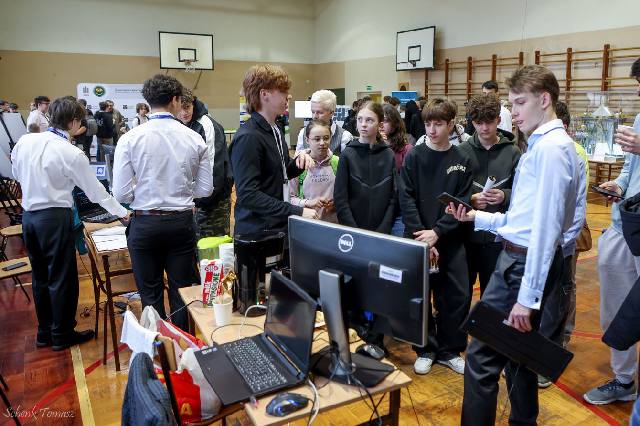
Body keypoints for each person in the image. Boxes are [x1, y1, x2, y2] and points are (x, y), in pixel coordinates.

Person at [449, 65, 581, 425]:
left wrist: (528, 296)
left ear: (544, 99)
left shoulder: (551, 149)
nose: (514, 112)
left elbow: (546, 230)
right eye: (512, 103)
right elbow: (524, 221)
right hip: (522, 260)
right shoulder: (542, 144)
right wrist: (476, 217)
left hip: (522, 267)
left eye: (520, 102)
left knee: (481, 360)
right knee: (519, 356)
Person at [12, 96, 128, 351]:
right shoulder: (71, 152)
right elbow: (95, 193)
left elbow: (16, 175)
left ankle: (45, 332)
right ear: (74, 122)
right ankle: (62, 334)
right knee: (61, 277)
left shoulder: (25, 141)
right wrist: (122, 213)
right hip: (54, 218)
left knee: (40, 276)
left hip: (29, 217)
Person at [113, 74, 213, 331]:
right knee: (182, 294)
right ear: (176, 100)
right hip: (181, 223)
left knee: (150, 295)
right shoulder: (194, 138)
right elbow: (205, 189)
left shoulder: (130, 138)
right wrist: (181, 192)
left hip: (145, 222)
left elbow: (121, 194)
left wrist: (143, 195)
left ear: (148, 101)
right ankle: (183, 345)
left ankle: (157, 347)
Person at [399, 98, 473, 376]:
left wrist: (438, 232)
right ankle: (425, 349)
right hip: (418, 238)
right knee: (419, 295)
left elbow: (462, 202)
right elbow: (406, 198)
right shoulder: (414, 157)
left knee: (456, 296)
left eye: (438, 124)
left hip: (451, 239)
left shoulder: (462, 159)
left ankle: (450, 350)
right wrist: (424, 236)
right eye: (428, 124)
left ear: (451, 124)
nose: (431, 130)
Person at [583, 57, 640, 405]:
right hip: (625, 222)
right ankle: (623, 379)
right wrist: (618, 184)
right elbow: (631, 168)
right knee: (616, 308)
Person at [229, 64, 317, 238]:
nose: (289, 96)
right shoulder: (249, 137)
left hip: (277, 226)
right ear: (264, 95)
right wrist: (296, 211)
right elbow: (248, 195)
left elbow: (280, 173)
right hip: (258, 232)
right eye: (283, 91)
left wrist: (298, 163)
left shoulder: (275, 129)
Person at [536, 100, 588, 388]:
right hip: (544, 239)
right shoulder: (539, 147)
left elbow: (575, 206)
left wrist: (562, 244)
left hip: (561, 241)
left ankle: (558, 343)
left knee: (562, 293)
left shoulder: (572, 151)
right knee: (546, 297)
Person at [457, 93, 521, 296]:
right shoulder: (461, 151)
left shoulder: (513, 153)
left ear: (499, 120)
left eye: (489, 122)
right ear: (471, 122)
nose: (484, 128)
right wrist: (470, 199)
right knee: (461, 294)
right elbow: (452, 192)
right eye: (478, 123)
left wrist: (505, 195)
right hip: (466, 236)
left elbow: (524, 193)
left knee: (493, 295)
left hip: (498, 239)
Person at [333, 101, 396, 234]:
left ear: (380, 125)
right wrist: (352, 230)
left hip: (382, 230)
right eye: (360, 119)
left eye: (369, 120)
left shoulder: (388, 155)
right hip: (353, 229)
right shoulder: (348, 154)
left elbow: (393, 197)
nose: (363, 124)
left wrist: (385, 227)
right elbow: (340, 198)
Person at [179, 88, 233, 238]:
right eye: (180, 108)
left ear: (193, 104)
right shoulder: (183, 124)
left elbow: (213, 168)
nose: (184, 113)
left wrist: (199, 202)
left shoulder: (206, 125)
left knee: (213, 247)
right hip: (195, 200)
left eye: (187, 107)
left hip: (213, 201)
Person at [289, 120, 339, 222]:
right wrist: (307, 202)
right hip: (307, 223)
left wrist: (336, 203)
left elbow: (347, 196)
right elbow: (289, 198)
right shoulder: (299, 164)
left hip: (334, 224)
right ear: (307, 140)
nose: (322, 143)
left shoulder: (338, 162)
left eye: (326, 138)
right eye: (317, 139)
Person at [381, 103, 413, 237]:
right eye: (378, 120)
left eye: (385, 121)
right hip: (378, 207)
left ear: (395, 124)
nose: (381, 125)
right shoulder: (369, 146)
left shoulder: (407, 149)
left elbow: (405, 182)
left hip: (399, 208)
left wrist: (385, 147)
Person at [295, 89, 353, 155]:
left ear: (331, 113)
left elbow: (348, 161)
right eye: (313, 112)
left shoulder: (345, 136)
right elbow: (296, 158)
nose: (314, 116)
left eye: (320, 112)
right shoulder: (303, 133)